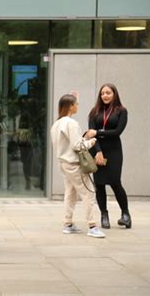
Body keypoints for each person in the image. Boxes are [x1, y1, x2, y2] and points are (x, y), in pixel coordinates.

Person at [50, 94, 105, 238]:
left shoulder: (56, 124)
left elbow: (69, 143)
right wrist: (91, 142)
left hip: (63, 163)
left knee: (71, 193)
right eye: (76, 104)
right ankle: (92, 226)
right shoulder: (71, 123)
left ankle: (68, 223)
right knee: (88, 192)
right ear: (71, 106)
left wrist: (83, 140)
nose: (78, 106)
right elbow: (77, 146)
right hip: (74, 164)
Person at [86, 83, 131, 229]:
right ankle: (104, 215)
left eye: (108, 93)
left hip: (114, 150)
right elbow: (90, 134)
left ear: (114, 94)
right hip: (97, 149)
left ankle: (125, 215)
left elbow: (117, 132)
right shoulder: (94, 112)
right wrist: (98, 151)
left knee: (115, 182)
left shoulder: (121, 111)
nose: (105, 95)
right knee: (99, 184)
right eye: (102, 93)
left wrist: (98, 132)